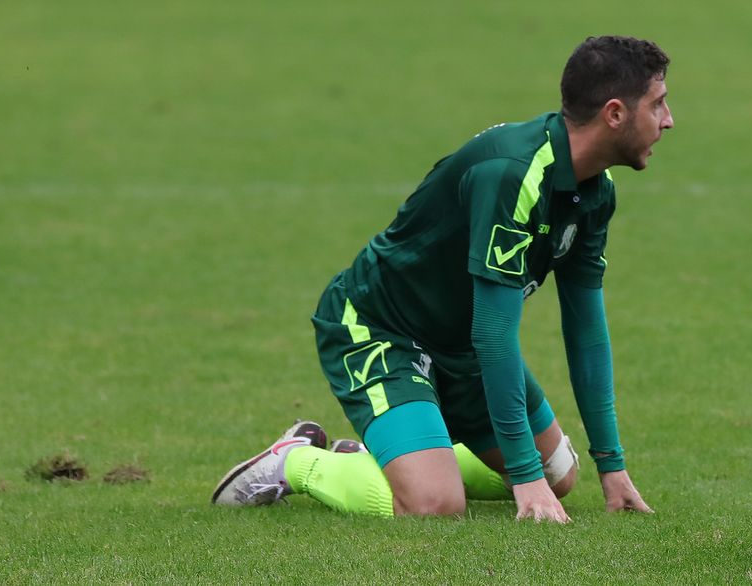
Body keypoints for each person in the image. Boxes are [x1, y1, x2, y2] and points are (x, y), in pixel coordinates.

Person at [212, 35, 673, 523]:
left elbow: (586, 330)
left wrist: (612, 465)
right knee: (436, 504)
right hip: (381, 328)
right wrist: (523, 476)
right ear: (615, 113)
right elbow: (494, 335)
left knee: (559, 475)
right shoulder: (512, 175)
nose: (668, 119)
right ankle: (297, 461)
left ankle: (391, 458)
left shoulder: (594, 191)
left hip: (460, 344)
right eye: (658, 104)